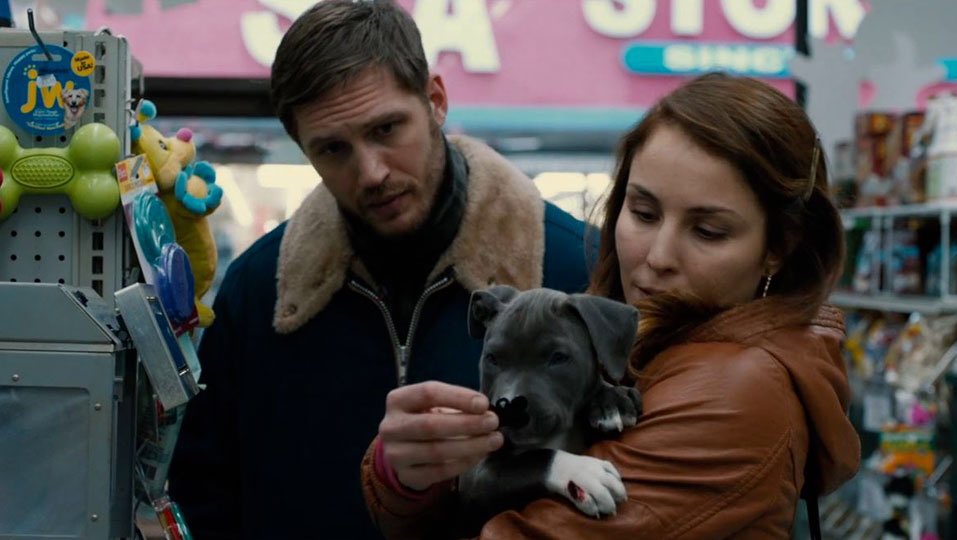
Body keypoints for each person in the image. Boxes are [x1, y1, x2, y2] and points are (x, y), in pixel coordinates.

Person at [362, 72, 862, 539]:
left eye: (708, 231)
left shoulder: (736, 392)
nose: (658, 256)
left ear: (779, 247)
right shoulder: (636, 346)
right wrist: (412, 475)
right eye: (643, 212)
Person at [166, 1, 595, 538]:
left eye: (387, 128)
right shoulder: (257, 292)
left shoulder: (574, 267)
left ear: (435, 100)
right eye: (333, 149)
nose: (371, 173)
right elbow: (203, 497)